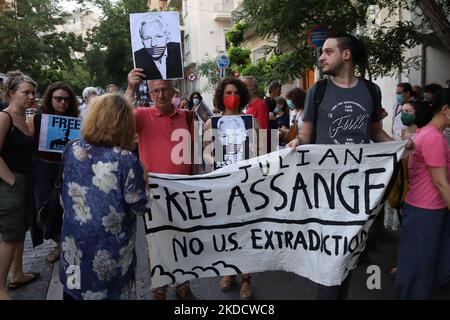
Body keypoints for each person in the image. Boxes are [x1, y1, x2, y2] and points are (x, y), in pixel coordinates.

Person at [287, 33, 394, 299]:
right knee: (329, 257)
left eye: (327, 51)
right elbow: (306, 136)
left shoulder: (371, 90)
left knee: (347, 256)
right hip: (325, 189)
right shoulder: (318, 90)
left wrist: (400, 147)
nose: (321, 57)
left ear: (346, 55)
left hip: (357, 190)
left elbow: (375, 133)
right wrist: (296, 143)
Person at [59, 94, 149, 300]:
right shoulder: (125, 159)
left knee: (73, 291)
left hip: (73, 244)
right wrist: (144, 180)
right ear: (125, 124)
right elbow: (140, 206)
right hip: (110, 252)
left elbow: (64, 193)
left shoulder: (72, 148)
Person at [125, 68, 196, 300]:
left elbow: (193, 153)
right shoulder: (141, 115)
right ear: (150, 92)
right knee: (155, 243)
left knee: (182, 239)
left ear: (173, 91)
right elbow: (117, 119)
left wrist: (196, 183)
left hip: (183, 191)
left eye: (164, 89)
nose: (160, 94)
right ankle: (159, 290)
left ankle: (182, 285)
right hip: (154, 193)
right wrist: (131, 88)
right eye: (155, 90)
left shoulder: (187, 116)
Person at [395, 88, 450, 299]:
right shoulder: (434, 137)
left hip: (423, 209)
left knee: (420, 267)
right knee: (419, 271)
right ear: (445, 109)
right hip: (426, 212)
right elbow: (441, 183)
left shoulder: (424, 133)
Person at [202, 78, 254, 299]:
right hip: (222, 184)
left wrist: (254, 149)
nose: (231, 96)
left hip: (246, 185)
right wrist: (213, 160)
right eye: (227, 92)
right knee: (225, 231)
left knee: (246, 232)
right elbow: (203, 153)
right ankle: (228, 272)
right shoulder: (211, 124)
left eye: (235, 92)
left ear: (241, 96)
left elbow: (263, 152)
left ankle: (246, 278)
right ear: (220, 97)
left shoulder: (251, 123)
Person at [27, 81, 80, 263]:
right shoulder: (37, 118)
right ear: (50, 99)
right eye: (58, 99)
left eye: (66, 99)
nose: (62, 103)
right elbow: (29, 142)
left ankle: (61, 244)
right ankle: (56, 239)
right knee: (44, 206)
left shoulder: (77, 119)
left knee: (64, 206)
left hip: (66, 168)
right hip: (43, 169)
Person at [0, 71, 39, 300]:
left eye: (33, 92)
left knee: (19, 231)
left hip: (23, 182)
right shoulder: (4, 117)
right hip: (10, 184)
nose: (32, 96)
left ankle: (17, 274)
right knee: (10, 237)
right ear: (11, 93)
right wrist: (12, 181)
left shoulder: (24, 118)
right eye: (26, 92)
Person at [133, 13, 183, 80]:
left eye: (158, 36)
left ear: (167, 37)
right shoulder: (137, 58)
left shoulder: (178, 52)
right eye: (147, 38)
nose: (153, 44)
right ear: (142, 41)